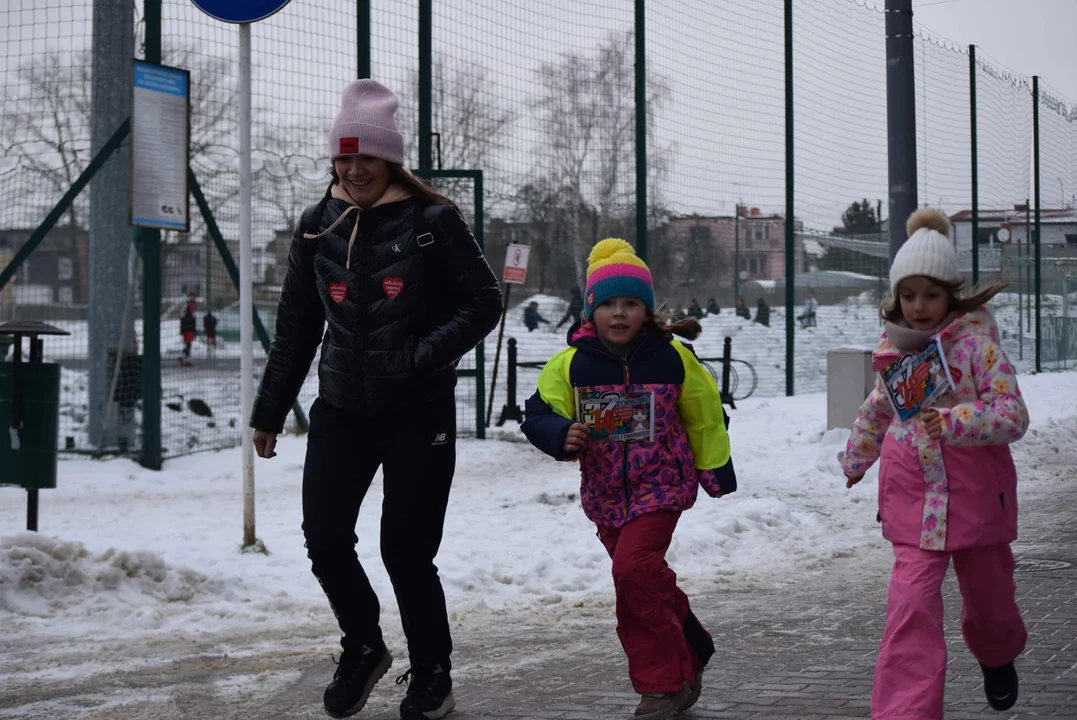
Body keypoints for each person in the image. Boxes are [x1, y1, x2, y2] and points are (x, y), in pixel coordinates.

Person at [249, 79, 502, 720]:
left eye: (366, 157)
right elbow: (297, 328)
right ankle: (362, 645)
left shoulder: (433, 222)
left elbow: (484, 301)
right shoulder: (316, 227)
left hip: (418, 411)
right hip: (341, 406)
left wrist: (420, 355)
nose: (354, 169)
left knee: (405, 550)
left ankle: (433, 672)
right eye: (344, 157)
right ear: (333, 160)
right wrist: (270, 410)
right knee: (325, 537)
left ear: (390, 160)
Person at [521, 239, 737, 720]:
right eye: (609, 304)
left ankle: (664, 684)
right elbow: (538, 413)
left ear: (647, 310)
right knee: (644, 578)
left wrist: (714, 465)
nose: (619, 314)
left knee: (630, 574)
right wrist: (561, 433)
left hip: (662, 485)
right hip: (604, 496)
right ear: (591, 311)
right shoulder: (571, 364)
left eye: (631, 304)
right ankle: (693, 642)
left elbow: (704, 414)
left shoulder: (673, 357)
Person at [839, 208, 1028, 719]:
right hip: (913, 506)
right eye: (907, 295)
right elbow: (876, 410)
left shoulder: (978, 350)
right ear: (896, 297)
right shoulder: (895, 356)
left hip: (976, 505)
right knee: (910, 613)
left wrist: (956, 421)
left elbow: (1013, 415)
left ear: (950, 293)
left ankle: (997, 656)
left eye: (930, 293)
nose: (918, 307)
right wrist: (856, 457)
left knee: (990, 606)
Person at [179, 293, 197, 365]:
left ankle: (184, 357)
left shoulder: (186, 308)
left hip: (185, 329)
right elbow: (191, 319)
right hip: (188, 329)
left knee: (188, 344)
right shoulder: (189, 308)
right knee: (188, 344)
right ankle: (186, 358)